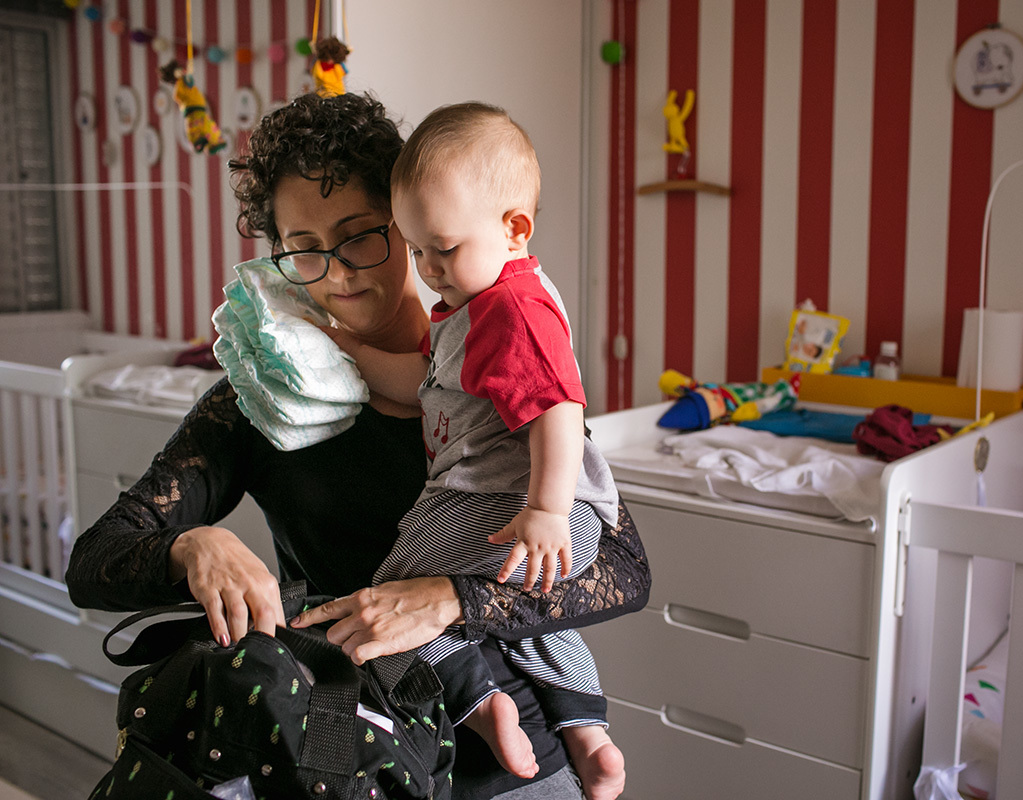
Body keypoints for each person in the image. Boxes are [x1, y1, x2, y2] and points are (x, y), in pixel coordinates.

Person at [64, 91, 649, 800]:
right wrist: (193, 547)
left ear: (407, 227)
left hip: (516, 759)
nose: (338, 274)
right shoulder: (262, 401)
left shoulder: (493, 358)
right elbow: (96, 558)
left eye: (360, 235)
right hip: (345, 741)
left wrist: (449, 600)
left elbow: (621, 565)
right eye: (304, 251)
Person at [314, 102, 618, 789]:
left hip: (519, 502)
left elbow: (559, 409)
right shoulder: (472, 309)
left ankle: (483, 707)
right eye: (417, 249)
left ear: (514, 229)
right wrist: (349, 349)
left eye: (442, 249)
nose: (428, 268)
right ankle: (583, 723)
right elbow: (418, 382)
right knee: (525, 608)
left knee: (390, 595)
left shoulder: (514, 308)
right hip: (526, 507)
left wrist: (544, 508)